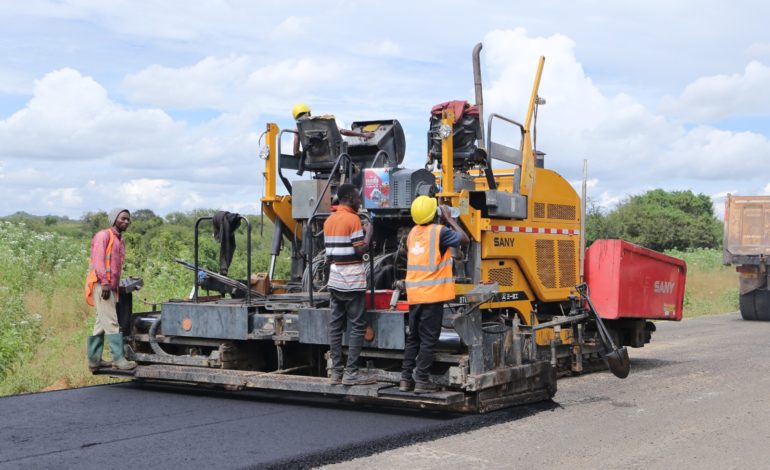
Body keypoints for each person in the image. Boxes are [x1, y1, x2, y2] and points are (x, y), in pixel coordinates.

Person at [400, 196, 469, 393]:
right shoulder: (441, 232)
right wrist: (450, 219)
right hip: (432, 295)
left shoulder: (412, 233)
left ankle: (405, 380)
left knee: (413, 338)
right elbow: (464, 239)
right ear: (435, 214)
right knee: (429, 339)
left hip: (414, 294)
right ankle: (421, 380)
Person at [323, 183, 376, 385]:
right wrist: (368, 232)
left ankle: (336, 372)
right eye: (357, 197)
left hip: (335, 280)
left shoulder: (329, 220)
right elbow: (360, 251)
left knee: (335, 326)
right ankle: (351, 373)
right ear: (349, 199)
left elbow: (330, 255)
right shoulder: (353, 219)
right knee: (357, 326)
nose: (359, 200)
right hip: (352, 281)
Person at [85, 208, 137, 371]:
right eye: (123, 218)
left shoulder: (119, 239)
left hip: (110, 287)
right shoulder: (104, 236)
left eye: (128, 219)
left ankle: (95, 361)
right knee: (112, 322)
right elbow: (99, 261)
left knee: (101, 323)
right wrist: (105, 283)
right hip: (103, 285)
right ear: (114, 219)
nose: (126, 221)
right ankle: (118, 360)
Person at [292, 103, 376, 156]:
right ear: (309, 112)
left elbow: (296, 152)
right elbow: (343, 131)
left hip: (313, 161)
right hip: (335, 157)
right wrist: (363, 134)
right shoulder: (322, 122)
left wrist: (307, 155)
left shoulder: (298, 129)